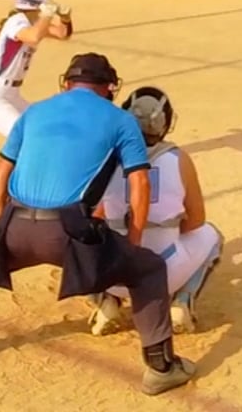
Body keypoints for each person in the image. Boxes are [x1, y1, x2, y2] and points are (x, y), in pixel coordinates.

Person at [0, 52, 197, 396]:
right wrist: (132, 244)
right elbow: (139, 183)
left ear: (66, 83)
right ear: (110, 88)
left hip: (16, 221)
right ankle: (161, 366)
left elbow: (2, 168)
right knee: (148, 269)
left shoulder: (34, 112)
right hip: (70, 233)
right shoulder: (121, 120)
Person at [88, 86, 223, 336]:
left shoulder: (104, 157)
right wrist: (167, 228)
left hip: (114, 276)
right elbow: (196, 219)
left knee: (81, 238)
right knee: (212, 235)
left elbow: (92, 216)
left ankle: (107, 301)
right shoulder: (179, 159)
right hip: (164, 275)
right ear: (165, 124)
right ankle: (182, 303)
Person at [0, 0, 73, 137]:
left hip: (12, 94)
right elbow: (33, 37)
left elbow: (62, 34)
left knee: (41, 128)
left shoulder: (33, 23)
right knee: (24, 137)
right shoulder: (17, 21)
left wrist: (65, 18)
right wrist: (47, 14)